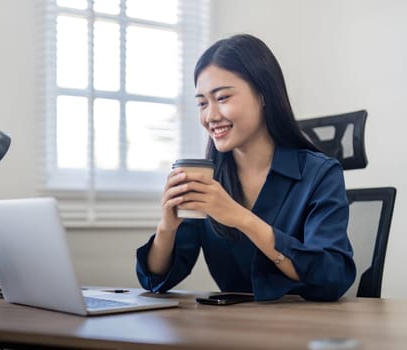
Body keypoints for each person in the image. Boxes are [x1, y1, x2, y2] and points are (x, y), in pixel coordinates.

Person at [135, 34, 356, 301]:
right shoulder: (208, 177)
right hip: (232, 327)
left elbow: (330, 277)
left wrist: (241, 218)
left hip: (303, 329)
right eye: (202, 103)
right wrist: (167, 228)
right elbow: (157, 280)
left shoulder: (320, 173)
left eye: (223, 98)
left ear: (263, 95)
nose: (210, 116)